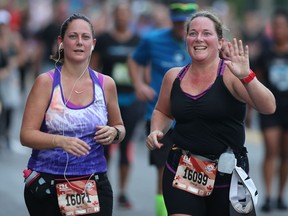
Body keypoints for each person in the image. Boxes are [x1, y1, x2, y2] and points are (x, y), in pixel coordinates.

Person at [146, 10, 276, 216]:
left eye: (206, 33)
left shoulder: (232, 75)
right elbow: (163, 111)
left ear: (220, 41)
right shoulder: (173, 76)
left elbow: (268, 107)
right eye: (193, 33)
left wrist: (247, 76)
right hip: (184, 170)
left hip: (227, 174)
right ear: (186, 38)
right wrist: (155, 130)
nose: (199, 39)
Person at [20, 13, 125, 216]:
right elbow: (26, 135)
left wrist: (114, 132)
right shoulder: (46, 82)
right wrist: (60, 141)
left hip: (93, 183)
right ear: (61, 42)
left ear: (93, 43)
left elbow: (120, 127)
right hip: (48, 183)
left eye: (85, 37)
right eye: (73, 36)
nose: (79, 42)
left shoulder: (106, 84)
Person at [128, 1, 198, 215]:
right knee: (164, 169)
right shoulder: (152, 39)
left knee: (191, 169)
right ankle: (163, 212)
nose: (180, 28)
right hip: (160, 113)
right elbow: (134, 60)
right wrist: (139, 85)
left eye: (185, 25)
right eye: (177, 23)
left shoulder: (199, 42)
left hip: (192, 117)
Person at [90, 1, 143, 209]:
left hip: (131, 100)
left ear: (130, 17)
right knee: (105, 146)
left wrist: (144, 88)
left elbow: (143, 68)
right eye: (118, 14)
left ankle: (122, 191)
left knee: (126, 145)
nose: (122, 18)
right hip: (107, 99)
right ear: (114, 16)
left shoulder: (138, 41)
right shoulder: (104, 39)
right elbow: (94, 66)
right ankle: (103, 185)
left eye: (125, 14)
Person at [254, 9, 288, 212]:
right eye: (274, 26)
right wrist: (248, 111)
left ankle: (280, 195)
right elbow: (253, 83)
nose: (278, 30)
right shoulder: (264, 55)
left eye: (282, 25)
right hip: (270, 110)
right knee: (270, 151)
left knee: (286, 154)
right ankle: (267, 195)